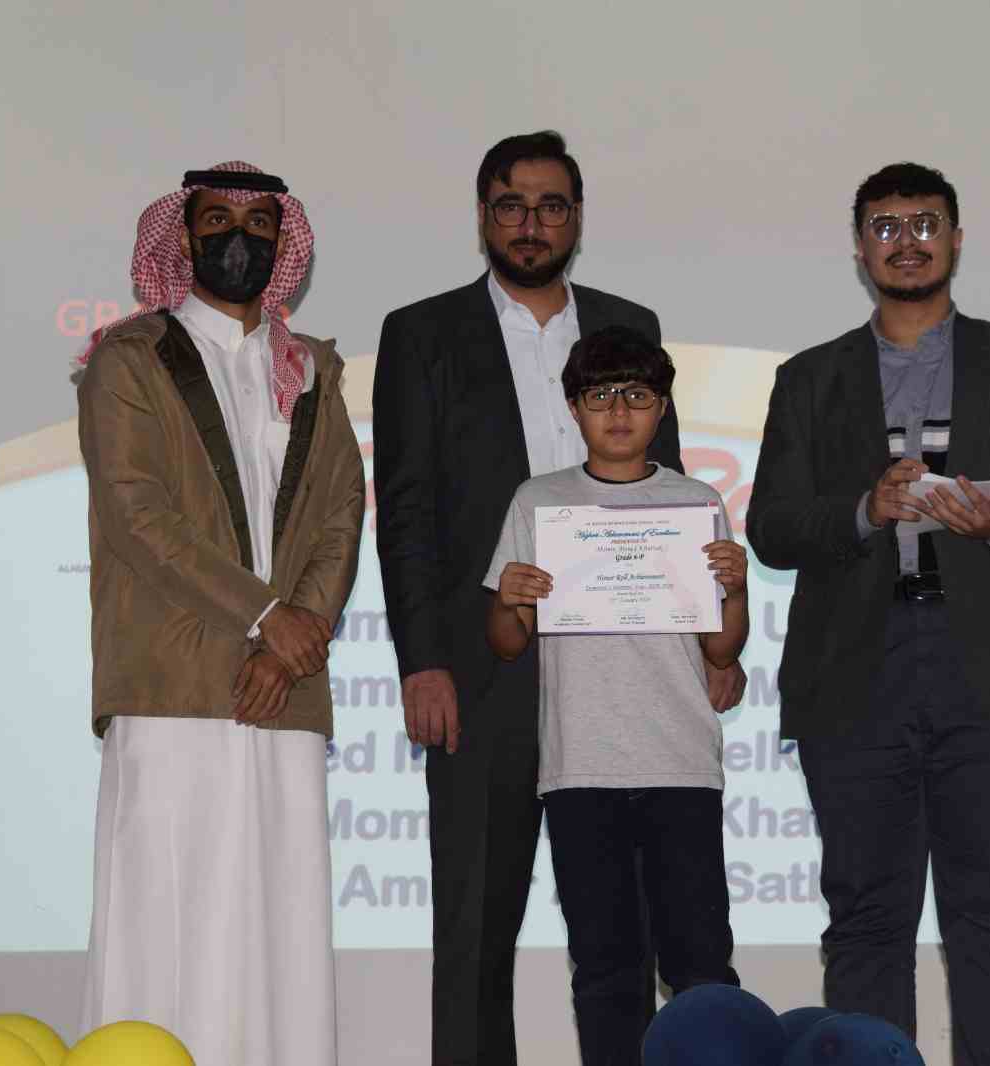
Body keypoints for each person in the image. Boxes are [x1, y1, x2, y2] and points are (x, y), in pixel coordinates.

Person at [373, 130, 746, 1065]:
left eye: (550, 206)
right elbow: (406, 513)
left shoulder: (628, 321)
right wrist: (423, 661)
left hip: (631, 680)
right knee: (475, 924)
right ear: (483, 217)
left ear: (577, 218)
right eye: (511, 205)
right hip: (484, 663)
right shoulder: (420, 333)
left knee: (638, 938)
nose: (530, 223)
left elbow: (669, 501)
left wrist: (708, 644)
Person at [745, 161, 990, 1066]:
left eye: (925, 223)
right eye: (886, 227)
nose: (907, 242)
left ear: (957, 237)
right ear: (860, 248)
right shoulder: (808, 379)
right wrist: (865, 510)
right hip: (854, 672)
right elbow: (772, 529)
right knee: (866, 919)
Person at [74, 161, 365, 1066]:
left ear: (284, 242)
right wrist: (268, 615)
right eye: (215, 220)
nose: (238, 237)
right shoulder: (128, 359)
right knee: (167, 924)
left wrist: (289, 642)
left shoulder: (310, 368)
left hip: (282, 688)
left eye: (258, 223)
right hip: (172, 684)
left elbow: (340, 513)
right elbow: (138, 516)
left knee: (281, 928)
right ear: (183, 235)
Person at [485, 325, 749, 1066]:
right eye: (600, 396)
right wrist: (508, 598)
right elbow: (506, 643)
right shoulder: (539, 503)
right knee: (605, 967)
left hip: (679, 763)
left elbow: (721, 650)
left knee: (700, 964)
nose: (620, 411)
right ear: (574, 409)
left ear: (662, 406)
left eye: (637, 394)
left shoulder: (696, 502)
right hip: (581, 767)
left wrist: (735, 589)